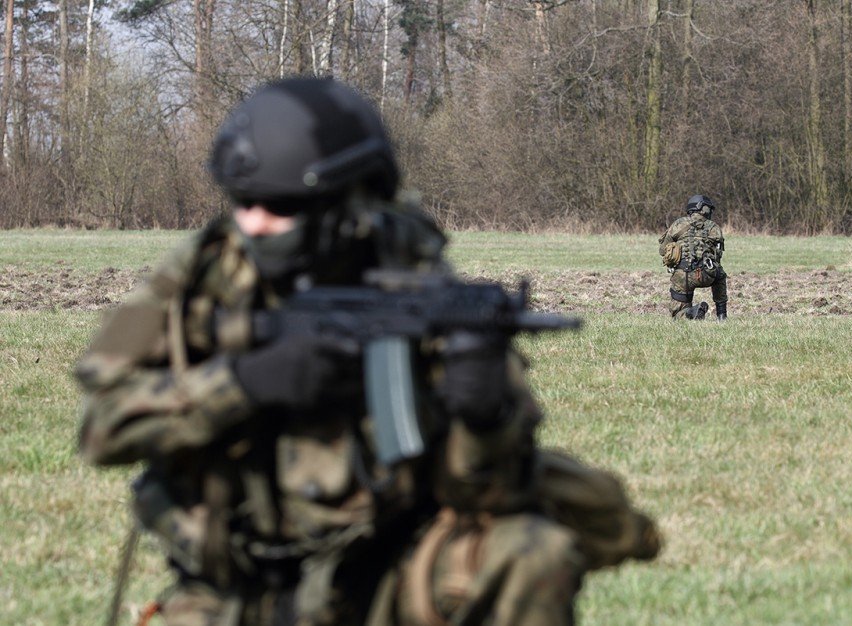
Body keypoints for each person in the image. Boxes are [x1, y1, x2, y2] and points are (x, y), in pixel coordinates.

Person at [76, 77, 660, 626]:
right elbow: (101, 428)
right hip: (233, 593)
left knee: (534, 550)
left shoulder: (411, 275)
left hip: (382, 574)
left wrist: (482, 416)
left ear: (345, 204)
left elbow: (489, 495)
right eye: (241, 202)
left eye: (277, 206)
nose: (251, 224)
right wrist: (245, 382)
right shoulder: (195, 276)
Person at [658, 194, 728, 320]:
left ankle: (691, 311)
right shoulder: (714, 227)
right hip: (707, 273)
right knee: (721, 275)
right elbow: (718, 256)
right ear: (703, 209)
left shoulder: (678, 224)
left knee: (679, 316)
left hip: (682, 276)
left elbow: (662, 250)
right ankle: (722, 315)